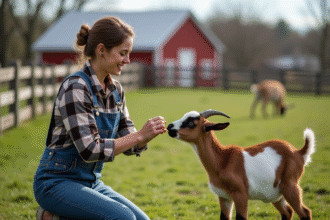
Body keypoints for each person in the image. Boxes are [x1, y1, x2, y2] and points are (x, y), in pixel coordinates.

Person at [33, 16, 167, 220]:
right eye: (123, 53)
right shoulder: (76, 87)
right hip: (55, 182)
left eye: (128, 54)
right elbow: (90, 150)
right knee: (123, 218)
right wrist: (139, 136)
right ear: (101, 49)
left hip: (91, 182)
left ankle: (56, 218)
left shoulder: (116, 91)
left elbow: (128, 137)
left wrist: (144, 138)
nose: (127, 60)